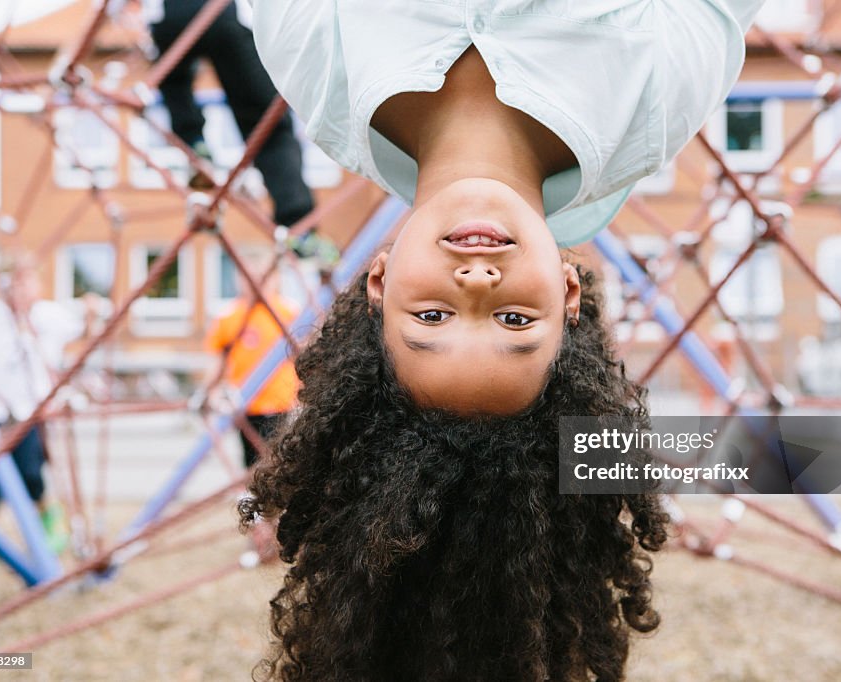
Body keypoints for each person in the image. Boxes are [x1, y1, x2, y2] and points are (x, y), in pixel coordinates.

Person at [240, 1, 765, 679]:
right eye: (515, 323)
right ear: (569, 293)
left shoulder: (314, 58)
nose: (477, 284)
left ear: (380, 281)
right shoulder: (654, 100)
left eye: (430, 319)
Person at [122, 0, 338, 267]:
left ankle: (195, 146)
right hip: (223, 12)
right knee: (267, 125)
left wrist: (135, 23)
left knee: (175, 85)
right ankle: (298, 226)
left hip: (167, 15)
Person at [0, 262, 93, 571]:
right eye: (14, 283)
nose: (20, 291)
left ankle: (46, 519)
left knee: (27, 471)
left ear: (37, 286)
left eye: (26, 283)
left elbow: (86, 324)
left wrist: (92, 310)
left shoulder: (49, 316)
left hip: (32, 411)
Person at [203, 255, 299, 471]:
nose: (256, 282)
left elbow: (306, 356)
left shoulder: (290, 313)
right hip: (246, 406)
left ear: (275, 279)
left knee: (281, 464)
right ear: (239, 279)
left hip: (281, 405)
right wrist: (209, 392)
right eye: (249, 277)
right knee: (252, 465)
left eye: (263, 277)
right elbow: (217, 360)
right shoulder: (229, 317)